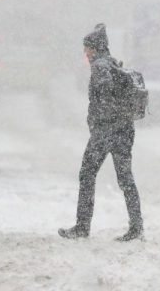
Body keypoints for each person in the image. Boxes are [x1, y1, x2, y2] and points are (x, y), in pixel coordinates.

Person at [58, 23, 143, 242]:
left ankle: (82, 226)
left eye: (87, 48)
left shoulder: (100, 68)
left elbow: (104, 98)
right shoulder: (114, 63)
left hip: (107, 132)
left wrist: (98, 123)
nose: (85, 53)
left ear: (94, 48)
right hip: (124, 129)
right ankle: (136, 227)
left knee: (87, 174)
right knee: (126, 178)